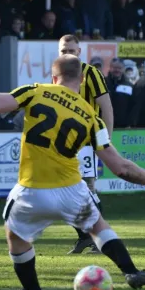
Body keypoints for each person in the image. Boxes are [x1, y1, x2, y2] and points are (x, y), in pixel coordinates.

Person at [0, 54, 145, 290]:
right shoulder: (91, 117)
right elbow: (120, 168)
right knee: (98, 227)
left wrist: (18, 99)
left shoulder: (36, 91)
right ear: (82, 80)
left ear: (53, 78)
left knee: (16, 236)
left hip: (32, 190)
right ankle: (131, 271)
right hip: (72, 190)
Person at [57, 34, 114, 255]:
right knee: (61, 193)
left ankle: (102, 240)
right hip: (64, 143)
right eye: (64, 51)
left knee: (87, 190)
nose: (67, 54)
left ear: (79, 52)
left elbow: (106, 106)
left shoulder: (91, 73)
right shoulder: (57, 75)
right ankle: (84, 237)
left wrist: (105, 141)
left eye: (71, 50)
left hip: (87, 142)